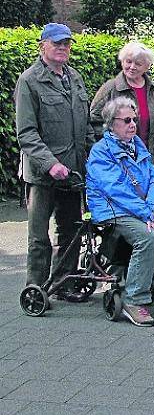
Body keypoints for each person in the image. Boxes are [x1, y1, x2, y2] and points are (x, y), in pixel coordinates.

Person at [85, 97, 154, 326]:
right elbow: (115, 190)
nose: (132, 124)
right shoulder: (101, 151)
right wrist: (147, 212)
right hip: (112, 210)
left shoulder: (137, 144)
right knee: (148, 236)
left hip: (142, 210)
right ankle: (134, 300)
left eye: (134, 119)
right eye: (126, 120)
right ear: (111, 123)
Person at [15, 23, 95, 291]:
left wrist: (93, 159)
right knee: (39, 237)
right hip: (42, 176)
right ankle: (35, 288)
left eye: (66, 44)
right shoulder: (29, 81)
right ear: (43, 46)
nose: (63, 48)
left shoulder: (75, 78)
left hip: (73, 172)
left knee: (71, 231)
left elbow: (87, 126)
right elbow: (26, 134)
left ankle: (63, 284)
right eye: (57, 43)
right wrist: (51, 164)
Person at [90, 41, 154, 168]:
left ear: (147, 67)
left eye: (138, 63)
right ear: (122, 61)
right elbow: (94, 121)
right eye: (128, 61)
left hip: (150, 161)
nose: (132, 66)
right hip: (118, 162)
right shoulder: (110, 88)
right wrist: (112, 143)